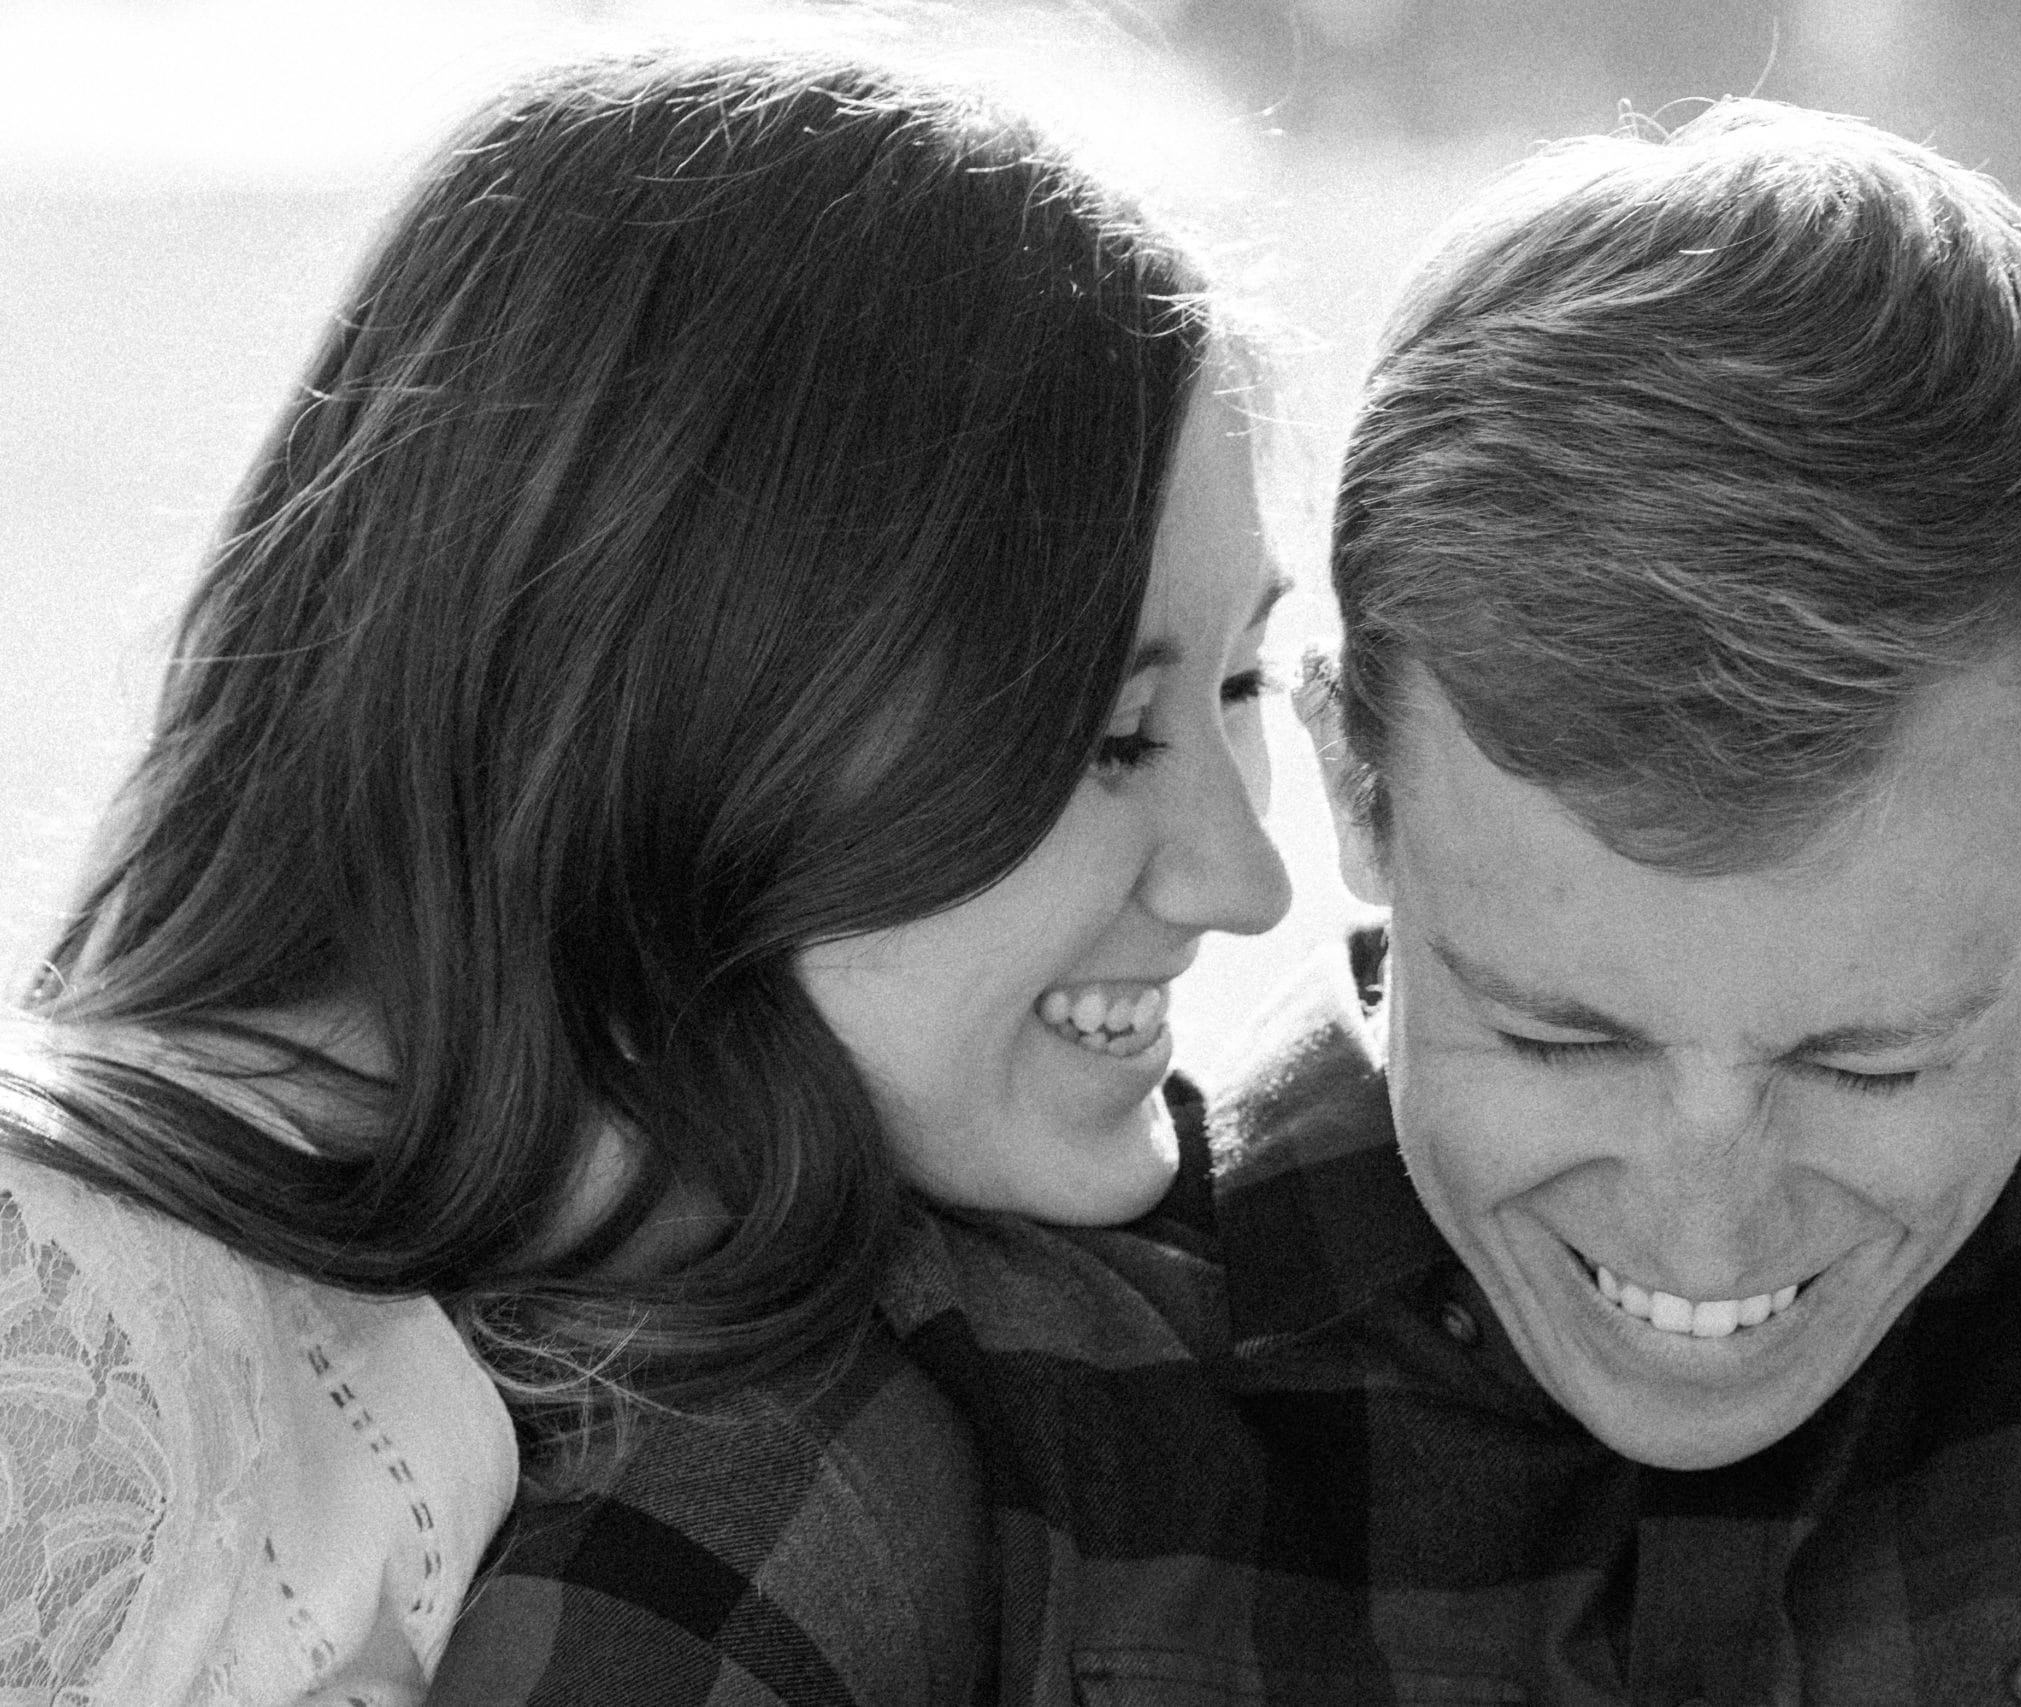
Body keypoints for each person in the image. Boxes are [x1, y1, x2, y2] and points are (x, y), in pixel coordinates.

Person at [452, 99, 2021, 1707]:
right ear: (1359, 775)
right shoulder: (944, 1396)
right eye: (1560, 1033)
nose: (1703, 1223)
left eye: (1865, 1054)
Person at [0, 46, 1288, 1705]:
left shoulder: (943, 1352)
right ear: (698, 713)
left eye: (1243, 689)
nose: (1243, 878)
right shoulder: (63, 1320)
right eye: (1109, 735)